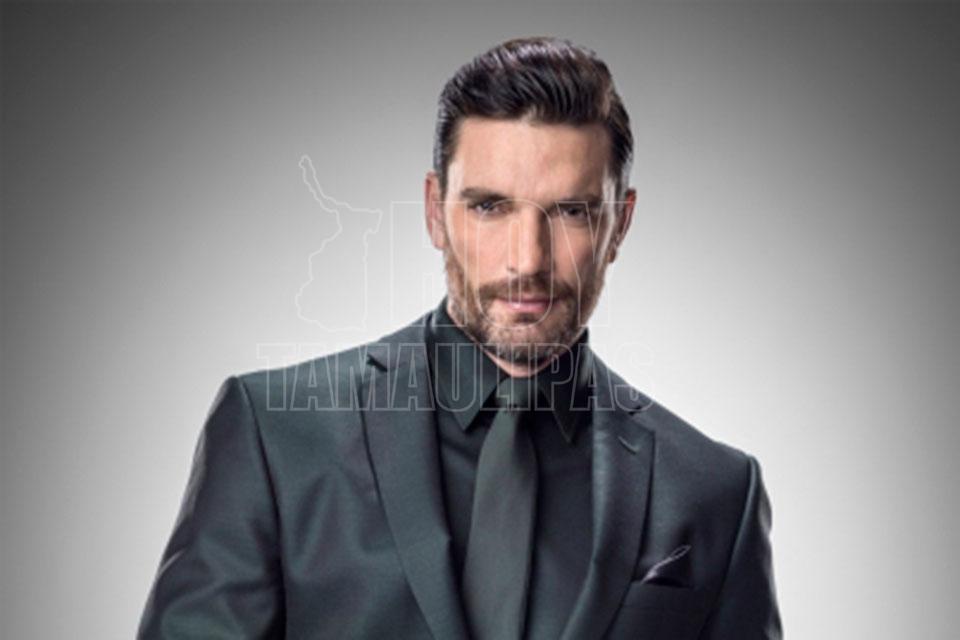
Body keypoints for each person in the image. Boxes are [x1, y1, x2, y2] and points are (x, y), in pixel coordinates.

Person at [138, 36, 782, 639]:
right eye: (489, 207)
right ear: (434, 212)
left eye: (571, 211)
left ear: (620, 225)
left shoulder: (716, 493)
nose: (528, 260)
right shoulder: (274, 437)